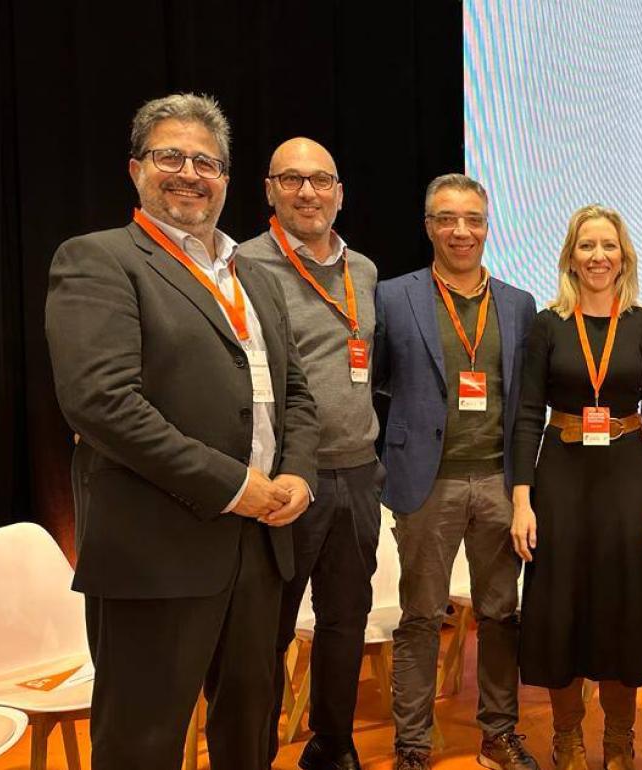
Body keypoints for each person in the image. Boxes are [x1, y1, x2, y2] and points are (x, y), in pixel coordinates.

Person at [44, 93, 318, 770]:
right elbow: (102, 403)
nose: (190, 173)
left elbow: (296, 394)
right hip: (156, 553)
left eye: (207, 162)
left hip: (261, 547)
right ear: (135, 168)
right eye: (171, 156)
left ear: (226, 177)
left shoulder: (257, 278)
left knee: (250, 736)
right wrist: (233, 486)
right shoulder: (99, 259)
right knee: (142, 745)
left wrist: (298, 473)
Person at [374, 174, 538, 770]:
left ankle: (498, 733)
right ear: (429, 227)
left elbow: (524, 397)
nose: (460, 230)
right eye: (446, 218)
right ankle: (413, 745)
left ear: (488, 227)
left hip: (499, 481)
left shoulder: (518, 304)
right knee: (421, 617)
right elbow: (376, 381)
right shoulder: (393, 296)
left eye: (472, 219)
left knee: (500, 614)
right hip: (426, 482)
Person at [510, 204, 642, 770]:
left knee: (623, 608)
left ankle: (621, 741)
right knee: (561, 608)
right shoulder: (548, 324)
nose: (598, 256)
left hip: (629, 480)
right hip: (560, 478)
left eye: (609, 246)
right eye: (587, 246)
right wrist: (522, 499)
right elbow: (527, 416)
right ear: (571, 257)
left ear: (623, 257)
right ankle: (567, 738)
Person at [236, 137, 380, 770]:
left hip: (359, 471)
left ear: (339, 193)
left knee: (346, 620)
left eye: (321, 180)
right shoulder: (243, 265)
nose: (307, 192)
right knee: (269, 628)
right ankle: (257, 753)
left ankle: (332, 744)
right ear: (270, 190)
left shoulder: (363, 270)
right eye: (291, 179)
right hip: (286, 478)